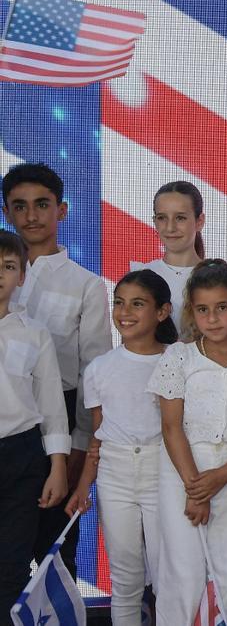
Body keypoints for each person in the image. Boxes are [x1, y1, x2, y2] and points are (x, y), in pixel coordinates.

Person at [2, 162, 111, 577]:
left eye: (42, 204)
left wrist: (81, 448)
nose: (31, 215)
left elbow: (94, 374)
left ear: (61, 211)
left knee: (55, 556)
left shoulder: (84, 284)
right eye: (20, 206)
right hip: (7, 421)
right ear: (7, 213)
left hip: (61, 423)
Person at [65, 270, 176, 625]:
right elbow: (98, 434)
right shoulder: (100, 368)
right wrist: (83, 485)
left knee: (168, 574)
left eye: (137, 304)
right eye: (119, 303)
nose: (124, 312)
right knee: (125, 576)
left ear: (162, 312)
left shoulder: (178, 360)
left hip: (164, 472)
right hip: (115, 476)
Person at [148, 259, 227, 624]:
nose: (213, 318)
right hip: (183, 473)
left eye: (222, 308)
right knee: (183, 570)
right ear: (192, 311)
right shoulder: (179, 356)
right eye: (203, 310)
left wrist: (222, 476)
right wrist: (196, 491)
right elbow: (171, 427)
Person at [0, 230, 69, 612]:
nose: (0, 274)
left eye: (9, 266)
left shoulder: (34, 333)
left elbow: (51, 404)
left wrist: (57, 466)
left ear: (22, 276)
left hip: (22, 456)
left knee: (11, 564)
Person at [135, 180, 206, 331]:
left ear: (199, 221)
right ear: (155, 221)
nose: (170, 228)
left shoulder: (219, 276)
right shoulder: (140, 277)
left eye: (180, 218)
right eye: (162, 218)